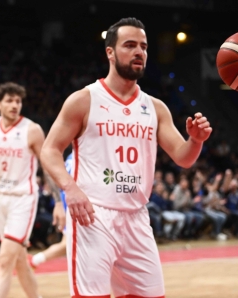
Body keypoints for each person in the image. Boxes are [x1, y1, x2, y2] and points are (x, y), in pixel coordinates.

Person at [40, 17, 212, 298]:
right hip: (93, 217)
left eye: (143, 47)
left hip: (136, 217)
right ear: (110, 52)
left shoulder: (155, 108)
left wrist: (196, 140)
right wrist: (70, 189)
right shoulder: (84, 100)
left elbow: (184, 158)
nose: (139, 52)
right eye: (130, 45)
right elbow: (49, 149)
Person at [0, 82, 59, 298]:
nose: (14, 105)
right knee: (19, 261)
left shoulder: (32, 130)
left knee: (5, 260)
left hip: (23, 199)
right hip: (0, 199)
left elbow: (48, 167)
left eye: (18, 101)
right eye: (10, 101)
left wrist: (58, 201)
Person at [30, 153, 72, 269]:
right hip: (71, 202)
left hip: (66, 200)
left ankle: (35, 260)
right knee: (67, 243)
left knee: (68, 242)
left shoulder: (70, 158)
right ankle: (34, 260)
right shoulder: (79, 158)